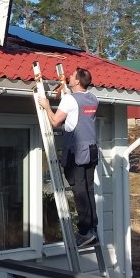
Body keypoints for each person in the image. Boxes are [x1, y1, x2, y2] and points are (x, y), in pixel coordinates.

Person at [38, 67, 99, 247]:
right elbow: (76, 115)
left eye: (72, 76)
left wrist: (47, 106)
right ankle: (92, 229)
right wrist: (65, 91)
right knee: (88, 189)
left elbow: (56, 121)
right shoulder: (93, 98)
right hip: (92, 149)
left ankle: (84, 231)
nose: (69, 77)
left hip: (77, 150)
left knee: (79, 190)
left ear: (78, 81)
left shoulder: (70, 100)